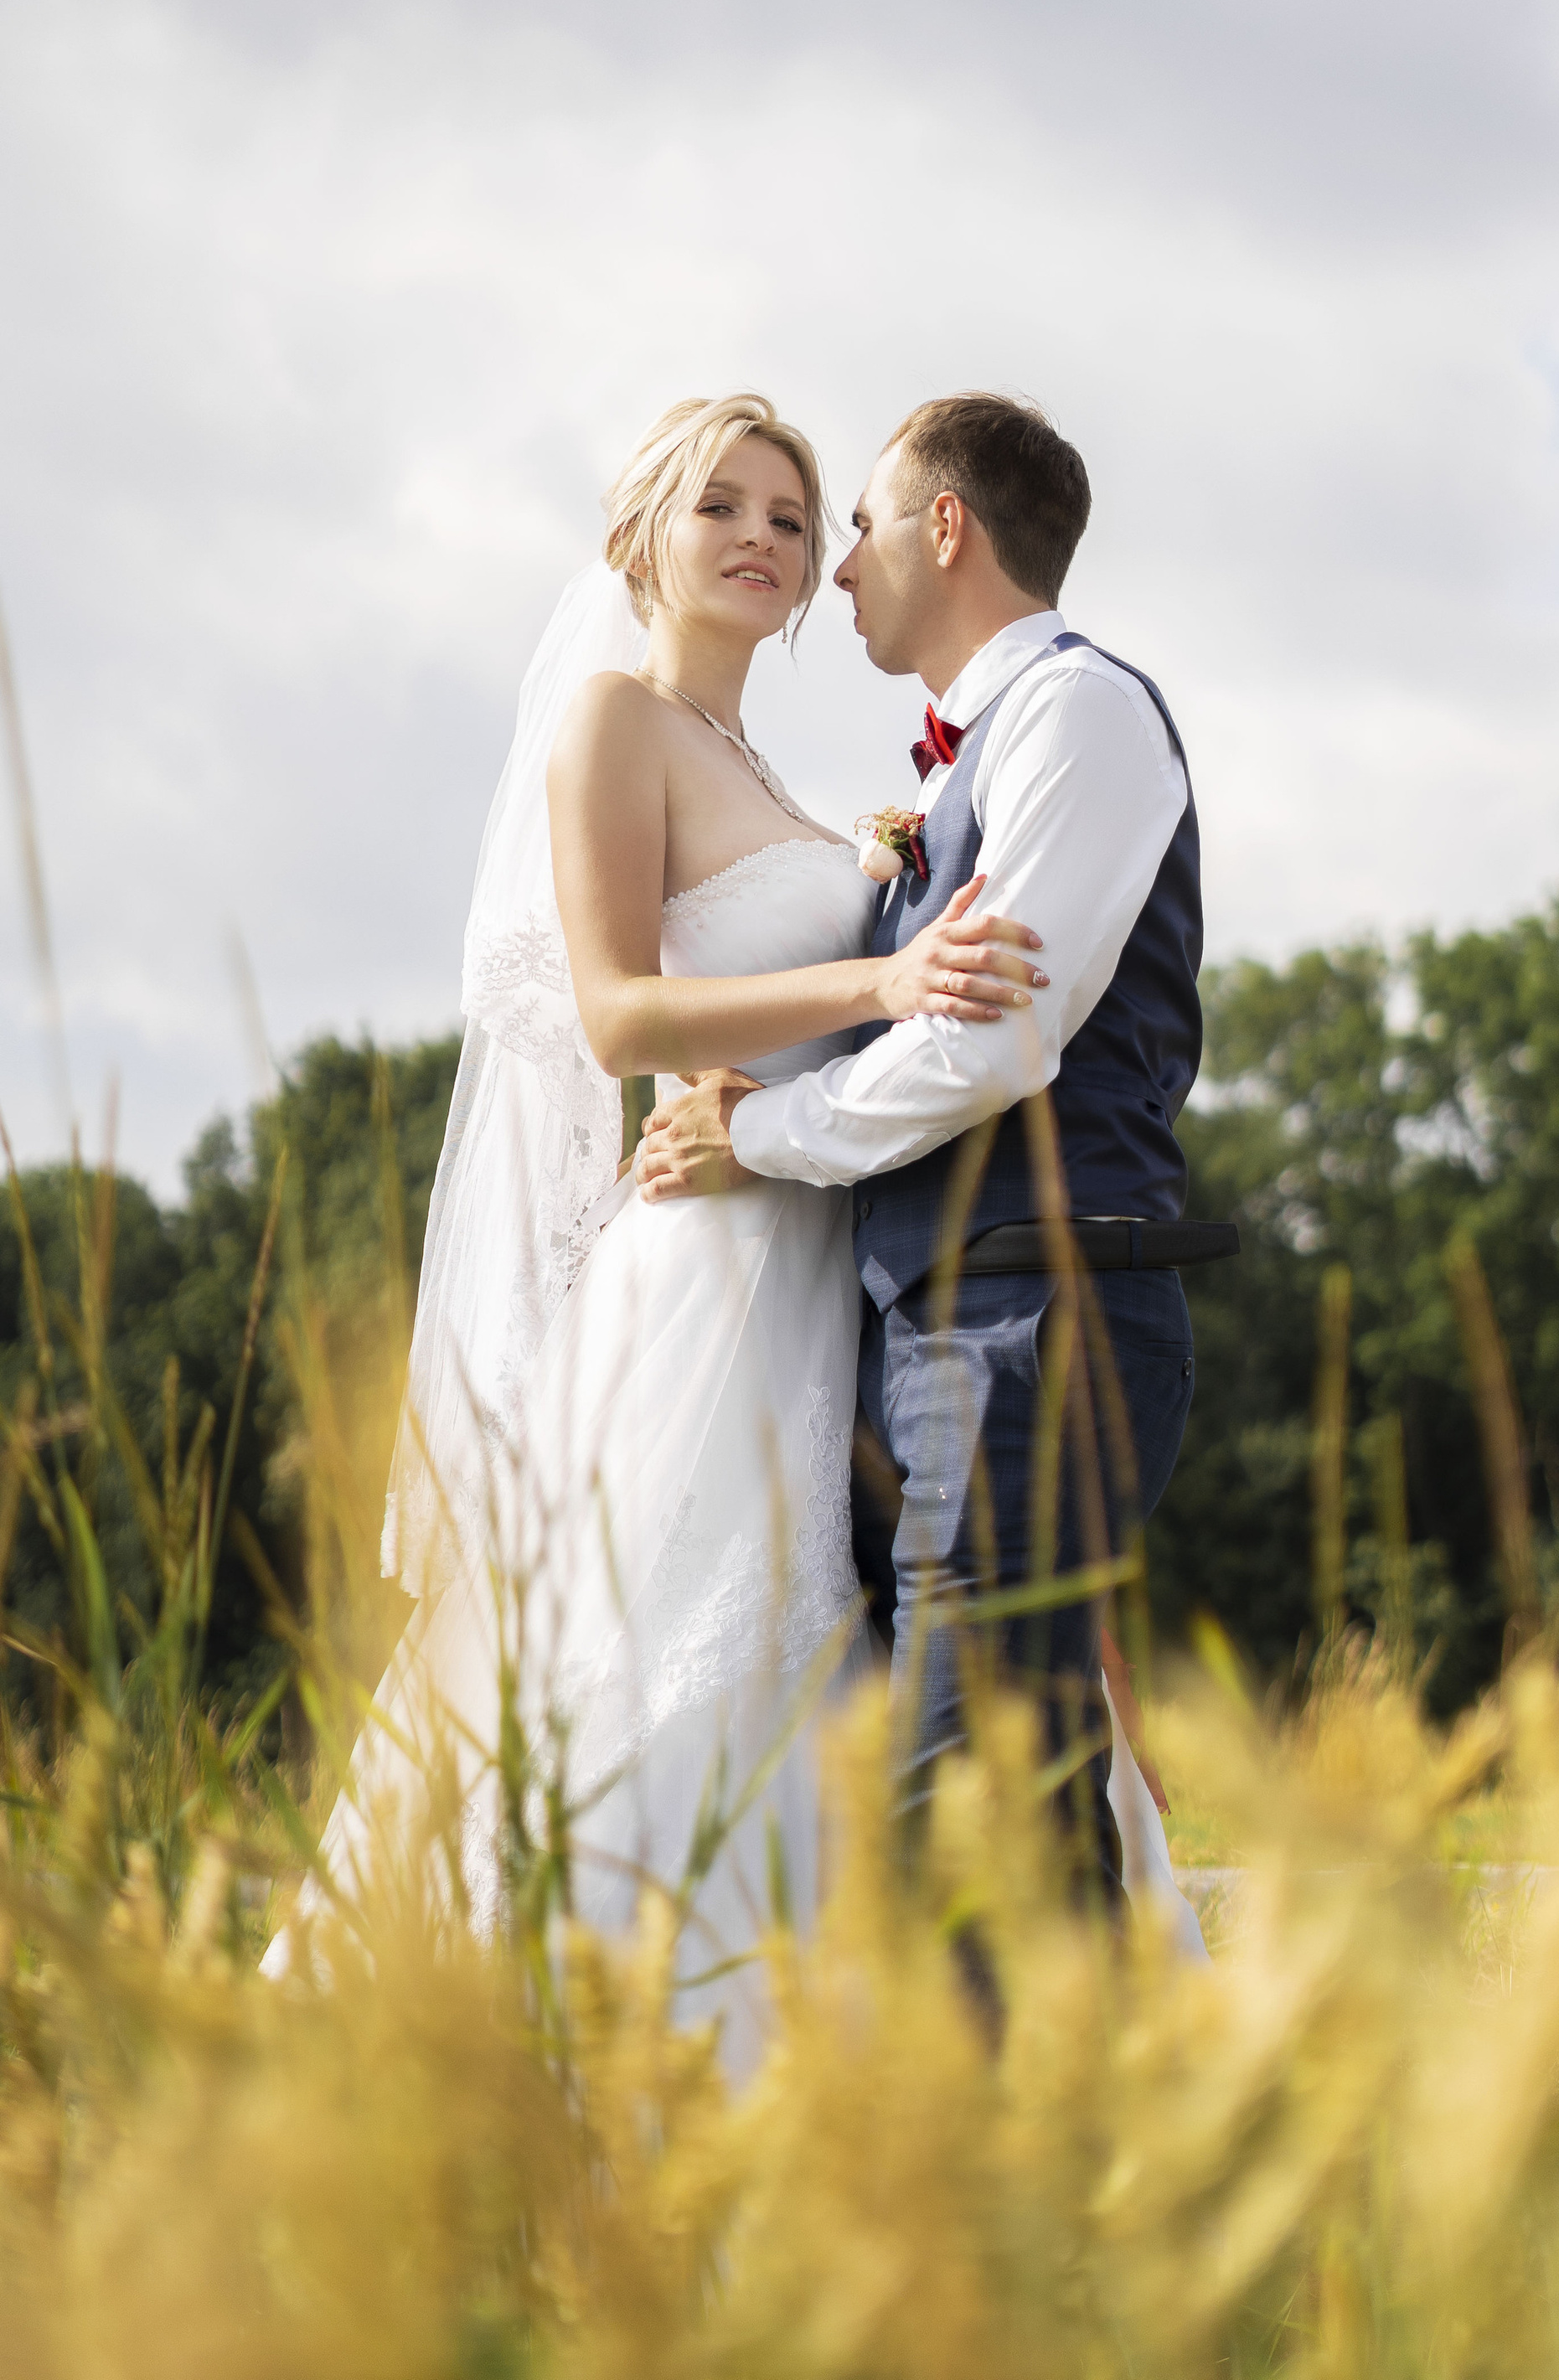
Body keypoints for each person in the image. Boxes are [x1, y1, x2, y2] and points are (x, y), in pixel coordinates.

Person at [268, 393, 1046, 2060]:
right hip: (695, 1275)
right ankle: (563, 2062)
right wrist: (885, 974)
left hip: (806, 1249)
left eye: (792, 511)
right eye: (725, 509)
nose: (765, 538)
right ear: (643, 541)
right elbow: (622, 1015)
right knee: (644, 1663)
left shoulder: (765, 765)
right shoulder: (611, 720)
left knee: (830, 1656)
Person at [637, 395, 1229, 1923]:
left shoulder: (1080, 714)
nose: (836, 570)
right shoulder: (968, 764)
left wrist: (752, 1134)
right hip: (939, 1324)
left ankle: (1023, 2158)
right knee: (994, 1802)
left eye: (859, 526)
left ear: (946, 528)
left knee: (967, 1813)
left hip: (1031, 1305)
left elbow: (992, 1044)